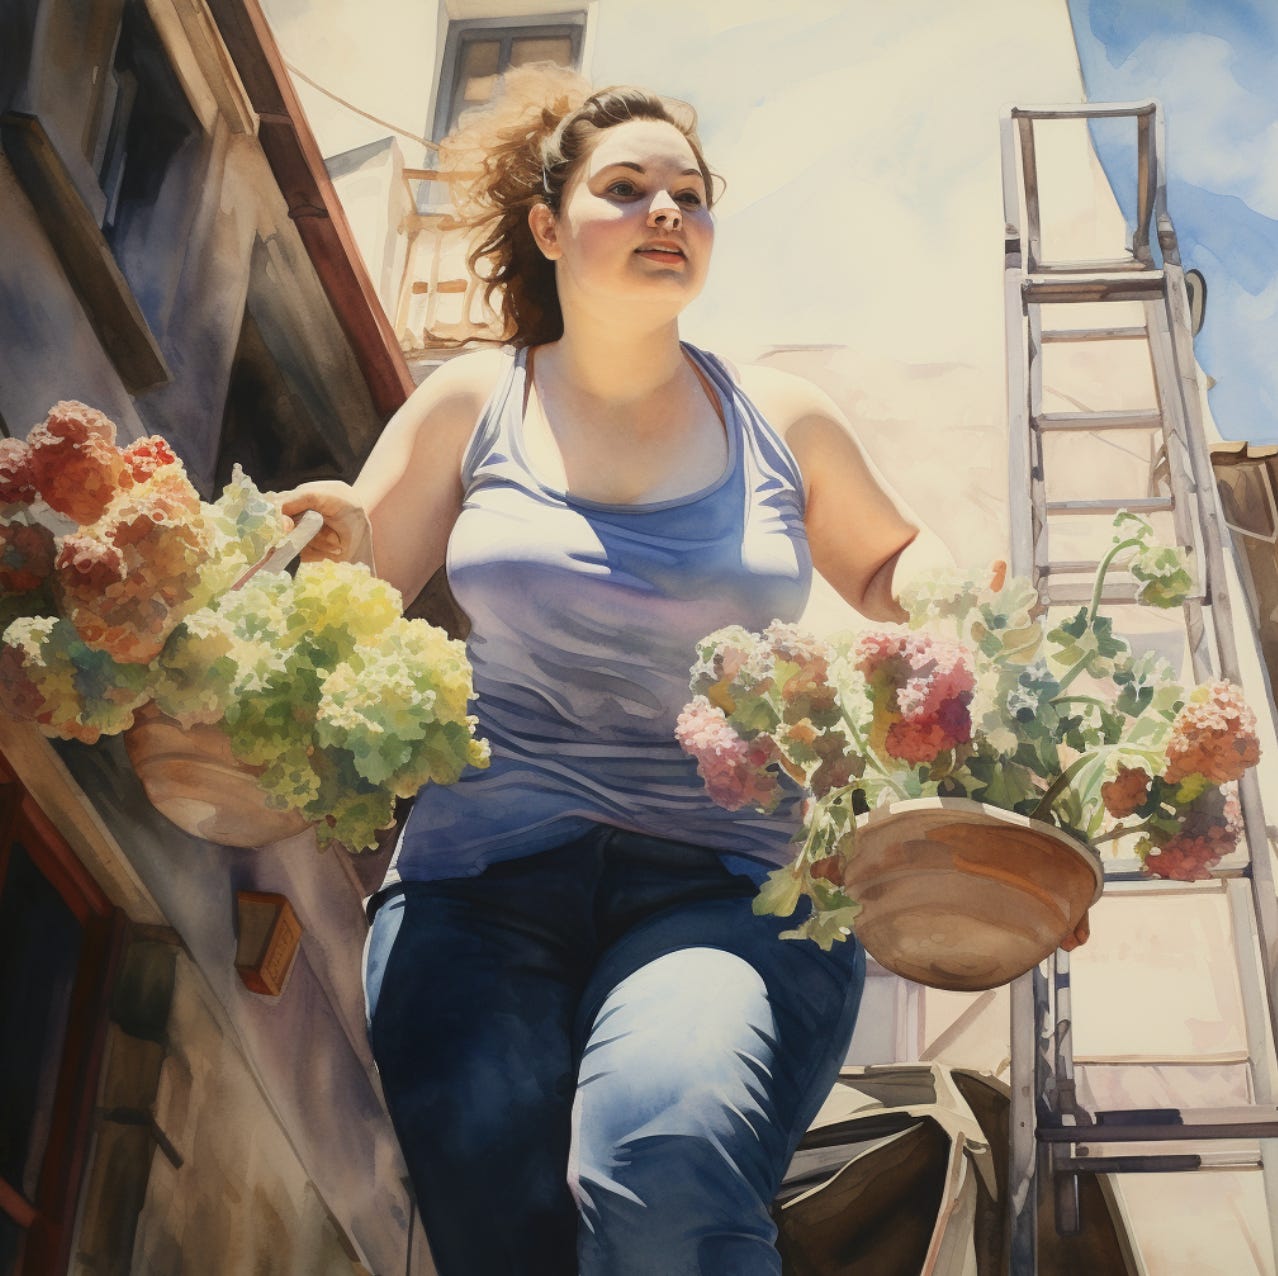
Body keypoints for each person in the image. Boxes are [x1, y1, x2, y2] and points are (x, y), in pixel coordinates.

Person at [280, 67, 969, 1275]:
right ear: (548, 228)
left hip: (731, 883)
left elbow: (897, 565)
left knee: (664, 1164)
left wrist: (957, 594)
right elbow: (352, 586)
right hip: (475, 886)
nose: (667, 213)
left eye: (690, 197)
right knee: (510, 1248)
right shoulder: (472, 402)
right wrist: (328, 540)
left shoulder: (778, 414)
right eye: (628, 189)